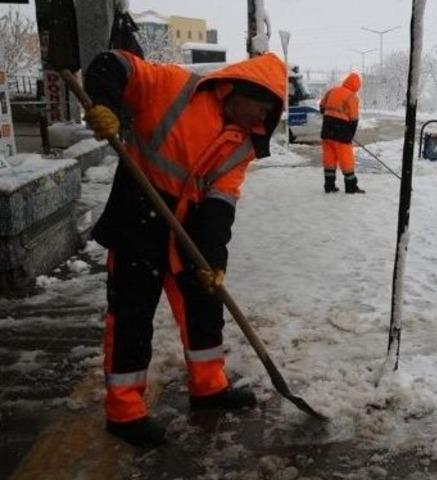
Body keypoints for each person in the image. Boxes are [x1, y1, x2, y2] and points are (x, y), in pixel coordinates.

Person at [83, 50, 286, 448]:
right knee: (132, 313)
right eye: (261, 110)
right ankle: (124, 412)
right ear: (242, 91)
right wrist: (105, 105)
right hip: (139, 207)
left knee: (204, 305)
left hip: (189, 224)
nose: (261, 122)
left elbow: (220, 204)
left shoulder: (243, 145)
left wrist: (214, 261)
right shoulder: (174, 88)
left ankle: (209, 388)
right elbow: (111, 64)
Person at [320, 72, 363, 194]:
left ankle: (329, 186)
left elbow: (322, 108)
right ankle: (351, 187)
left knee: (329, 160)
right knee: (346, 160)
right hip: (341, 134)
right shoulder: (352, 98)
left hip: (327, 131)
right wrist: (349, 136)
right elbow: (354, 120)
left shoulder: (332, 91)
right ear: (356, 87)